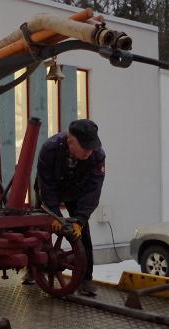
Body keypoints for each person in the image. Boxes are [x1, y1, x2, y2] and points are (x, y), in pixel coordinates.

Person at [35, 119, 106, 296]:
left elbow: (92, 192)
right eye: (85, 147)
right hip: (51, 187)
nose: (90, 151)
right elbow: (47, 187)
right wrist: (54, 215)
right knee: (39, 225)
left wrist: (79, 220)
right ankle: (34, 268)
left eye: (92, 147)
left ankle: (85, 279)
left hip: (77, 191)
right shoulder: (49, 149)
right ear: (70, 141)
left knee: (83, 233)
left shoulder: (97, 156)